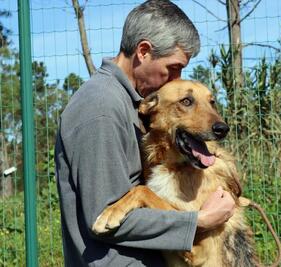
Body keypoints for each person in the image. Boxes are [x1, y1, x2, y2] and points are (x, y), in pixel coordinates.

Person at [55, 1, 236, 266]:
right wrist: (199, 222)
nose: (176, 79)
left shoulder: (132, 103)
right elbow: (103, 219)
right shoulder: (101, 107)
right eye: (173, 68)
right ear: (143, 51)